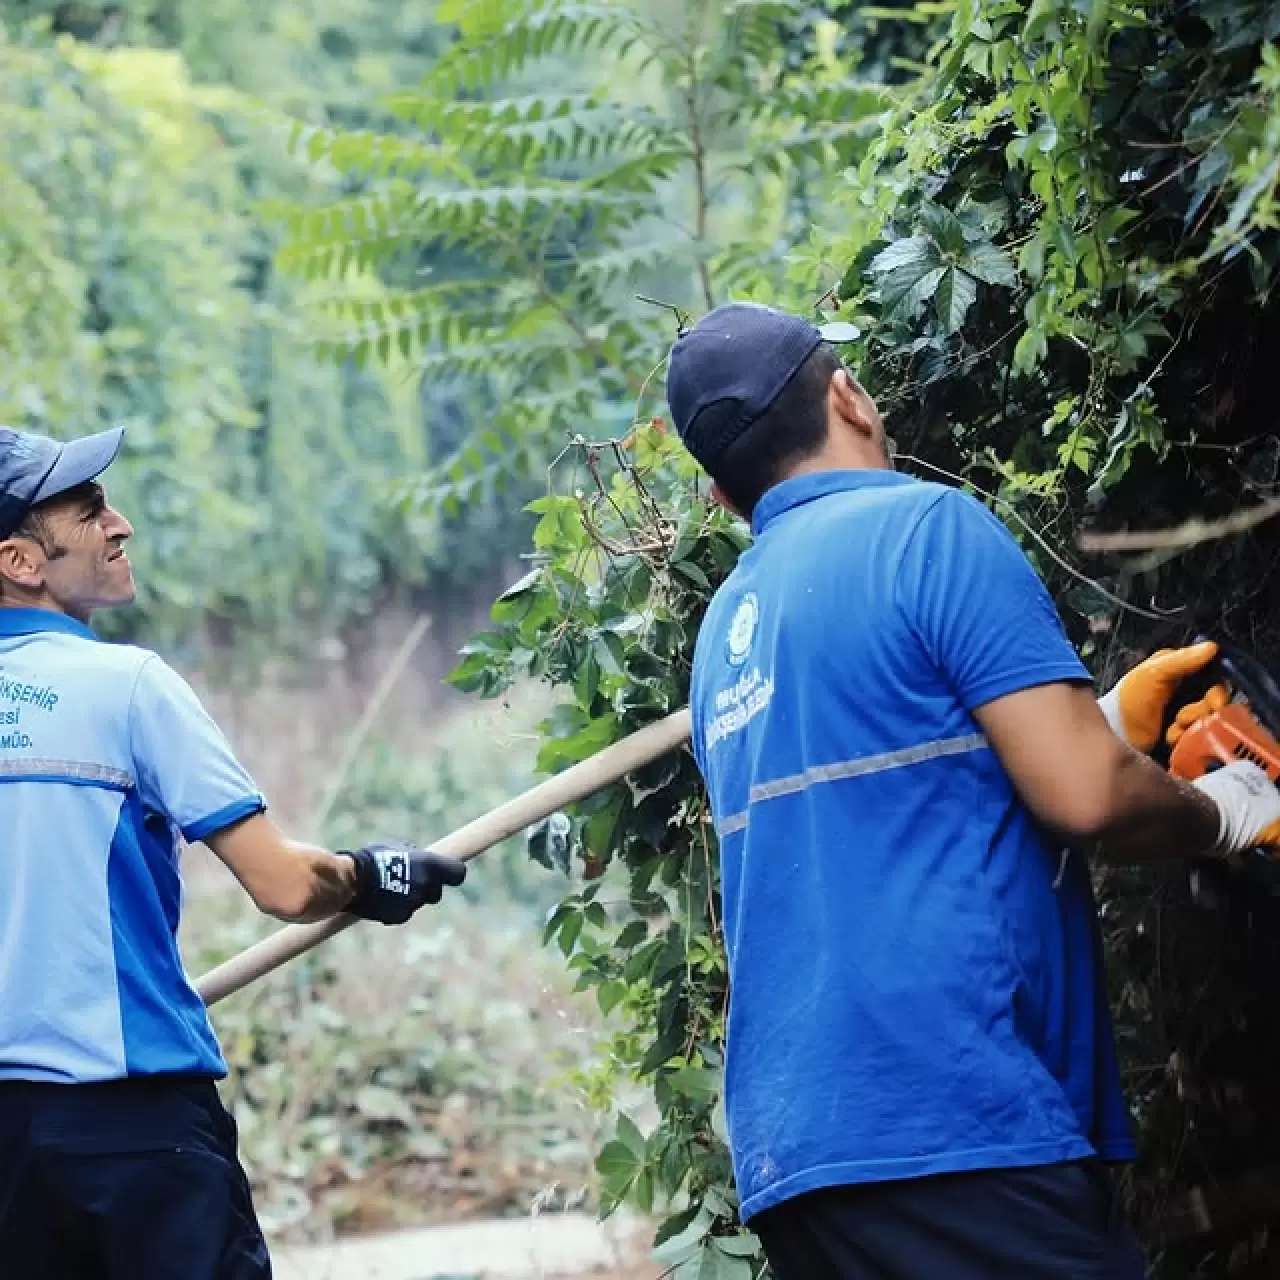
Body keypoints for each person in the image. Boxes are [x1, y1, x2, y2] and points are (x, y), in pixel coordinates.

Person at [663, 302, 1280, 1279]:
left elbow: (902, 805)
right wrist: (1225, 811)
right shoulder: (925, 531)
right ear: (847, 396)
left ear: (723, 495)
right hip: (957, 1114)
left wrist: (1106, 722)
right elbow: (1083, 800)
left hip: (801, 1159)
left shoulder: (724, 629)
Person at [0, 424, 468, 1278]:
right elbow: (287, 887)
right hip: (134, 1133)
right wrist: (373, 876)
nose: (120, 524)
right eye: (88, 508)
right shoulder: (128, 689)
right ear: (20, 563)